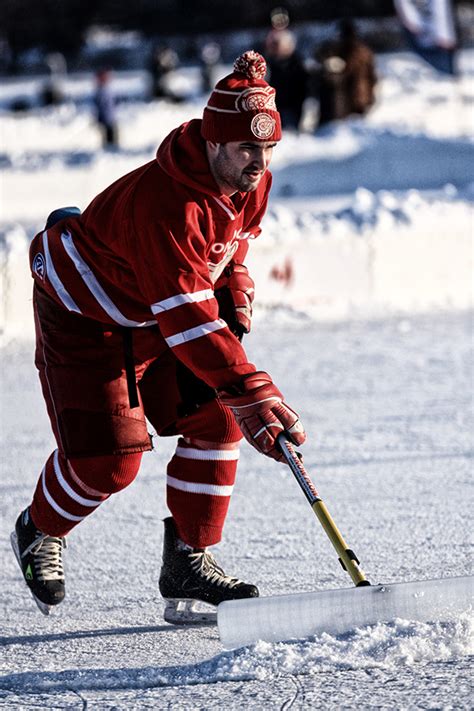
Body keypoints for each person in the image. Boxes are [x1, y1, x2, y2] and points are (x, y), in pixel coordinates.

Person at [11, 51, 306, 623]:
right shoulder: (168, 206)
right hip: (85, 315)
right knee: (109, 465)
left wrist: (236, 278)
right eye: (247, 148)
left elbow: (235, 239)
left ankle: (188, 564)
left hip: (153, 310)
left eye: (268, 149)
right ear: (213, 142)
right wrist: (254, 390)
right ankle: (39, 527)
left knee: (217, 416)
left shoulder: (251, 180)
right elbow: (188, 321)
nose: (260, 161)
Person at [314, 19, 377, 127]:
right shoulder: (363, 51)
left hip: (352, 97)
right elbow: (372, 76)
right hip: (358, 96)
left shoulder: (348, 50)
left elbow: (371, 76)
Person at [265, 28, 308, 130]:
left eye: (277, 44)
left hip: (291, 109)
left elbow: (303, 88)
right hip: (274, 108)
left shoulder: (297, 64)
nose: (274, 48)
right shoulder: (269, 64)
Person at [93, 69, 118, 148]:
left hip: (110, 117)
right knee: (108, 137)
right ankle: (109, 148)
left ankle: (112, 148)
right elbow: (100, 106)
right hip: (105, 118)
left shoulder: (107, 89)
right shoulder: (101, 91)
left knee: (112, 135)